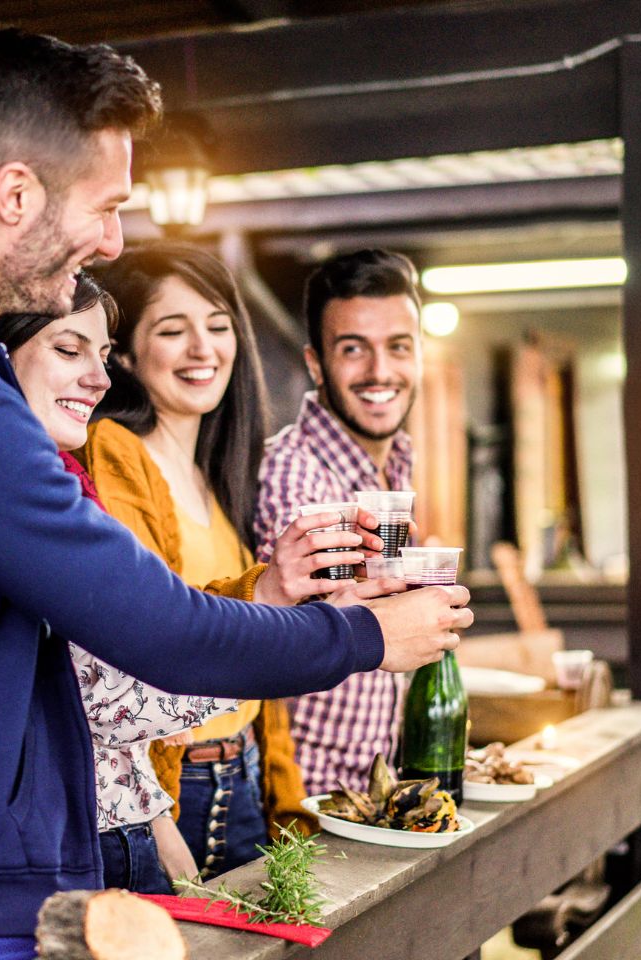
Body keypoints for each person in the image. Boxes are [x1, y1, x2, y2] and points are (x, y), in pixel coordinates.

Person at [0, 30, 470, 959]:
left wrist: (266, 600)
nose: (113, 240)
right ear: (16, 193)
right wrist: (369, 637)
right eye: (105, 206)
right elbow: (159, 629)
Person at [85, 242, 378, 880]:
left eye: (218, 327)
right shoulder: (115, 453)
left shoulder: (217, 469)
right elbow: (127, 649)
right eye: (173, 329)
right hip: (173, 788)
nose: (204, 349)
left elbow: (257, 656)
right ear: (126, 354)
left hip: (239, 770)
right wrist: (156, 822)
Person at [0, 275, 233, 894]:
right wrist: (286, 639)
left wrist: (150, 812)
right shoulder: (10, 494)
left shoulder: (64, 476)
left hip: (114, 820)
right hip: (65, 840)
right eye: (68, 350)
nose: (100, 380)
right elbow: (104, 689)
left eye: (100, 356)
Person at [255, 248, 427, 797]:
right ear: (315, 363)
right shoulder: (294, 474)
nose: (381, 371)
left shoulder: (394, 464)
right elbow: (297, 634)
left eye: (398, 347)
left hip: (374, 786)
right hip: (307, 807)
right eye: (354, 350)